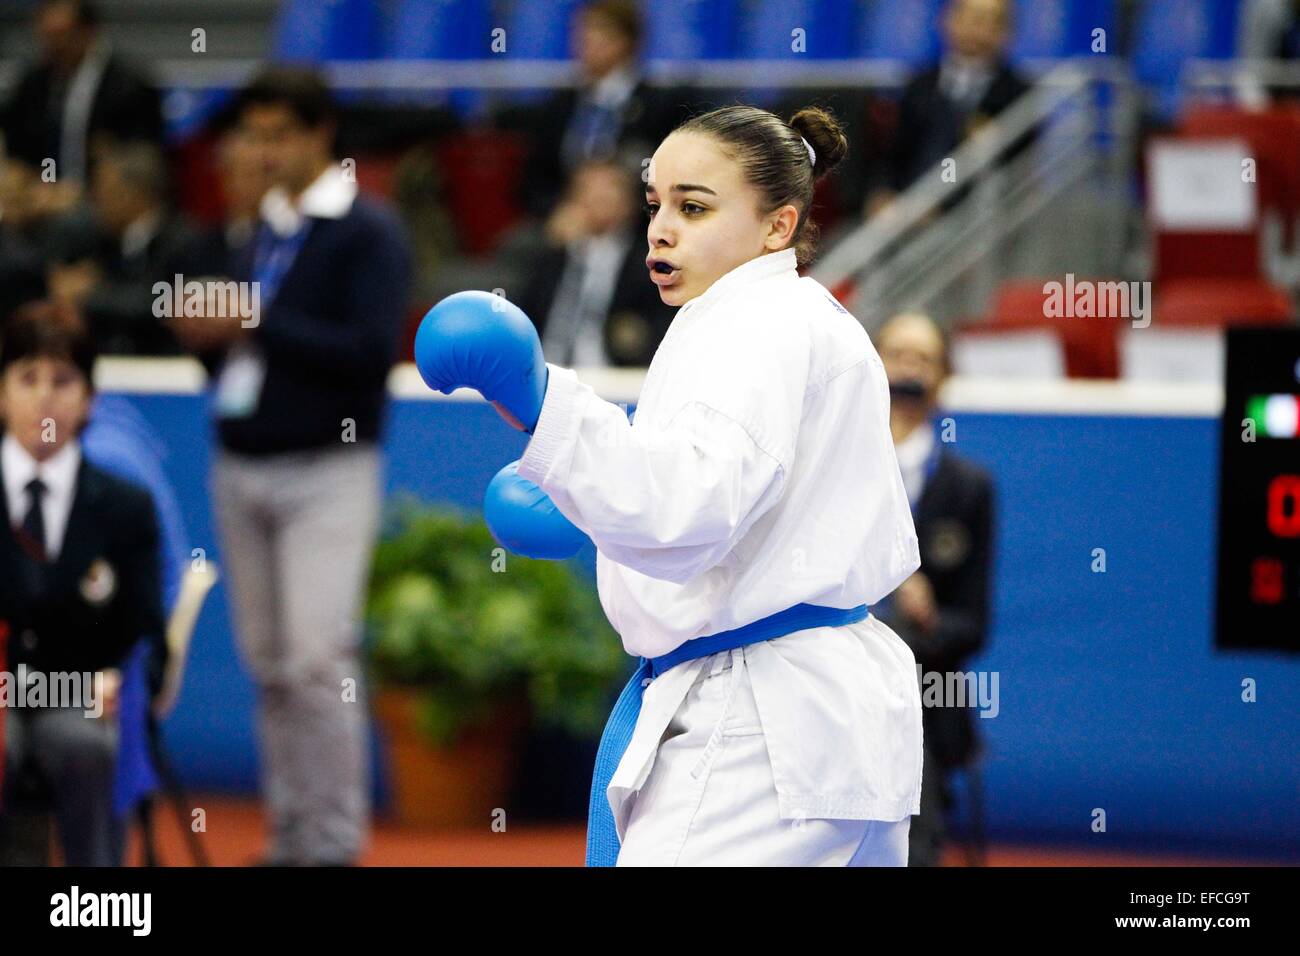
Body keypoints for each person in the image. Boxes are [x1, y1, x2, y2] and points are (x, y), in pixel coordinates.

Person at [417, 104, 924, 866]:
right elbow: (743, 508)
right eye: (655, 202)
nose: (660, 227)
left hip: (760, 725)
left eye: (694, 207)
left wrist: (538, 399)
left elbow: (687, 505)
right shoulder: (787, 316)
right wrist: (594, 517)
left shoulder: (755, 324)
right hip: (822, 712)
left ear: (777, 226)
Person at [171, 67, 411, 867]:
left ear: (319, 136)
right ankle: (290, 838)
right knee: (271, 667)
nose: (262, 151)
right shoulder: (253, 231)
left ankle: (334, 845)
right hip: (242, 462)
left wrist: (259, 319)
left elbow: (369, 354)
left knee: (316, 660)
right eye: (251, 135)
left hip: (329, 468)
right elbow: (240, 363)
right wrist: (212, 336)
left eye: (278, 135)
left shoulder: (367, 232)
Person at [0, 303, 164, 866]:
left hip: (75, 696)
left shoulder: (125, 506)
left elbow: (146, 628)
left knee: (86, 744)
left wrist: (116, 681)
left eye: (64, 380)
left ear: (89, 399)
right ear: (1, 396)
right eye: (27, 379)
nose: (45, 396)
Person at [875, 312, 995, 867]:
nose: (907, 371)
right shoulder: (833, 463)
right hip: (821, 682)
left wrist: (912, 626)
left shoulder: (969, 488)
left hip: (922, 698)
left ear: (944, 376)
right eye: (896, 355)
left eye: (922, 360)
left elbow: (970, 625)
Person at [518, 0, 682, 220]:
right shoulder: (560, 105)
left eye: (600, 30)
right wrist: (557, 211)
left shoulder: (660, 106)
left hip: (639, 224)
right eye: (582, 31)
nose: (586, 40)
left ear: (627, 41)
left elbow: (669, 177)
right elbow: (538, 179)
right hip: (569, 222)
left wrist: (622, 209)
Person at [866, 0, 1030, 217]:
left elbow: (1018, 174)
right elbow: (891, 156)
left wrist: (941, 208)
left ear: (1008, 33)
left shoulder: (1020, 97)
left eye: (993, 21)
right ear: (949, 20)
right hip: (902, 215)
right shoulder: (918, 85)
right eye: (973, 18)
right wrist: (883, 194)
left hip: (971, 224)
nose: (980, 30)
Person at [515, 157, 675, 368]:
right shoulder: (551, 256)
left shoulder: (650, 261)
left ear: (628, 202)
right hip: (544, 371)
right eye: (588, 191)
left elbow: (654, 332)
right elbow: (521, 315)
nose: (598, 199)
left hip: (614, 378)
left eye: (608, 192)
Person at [46, 141, 197, 356]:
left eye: (103, 191)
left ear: (134, 193)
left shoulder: (185, 242)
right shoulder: (108, 245)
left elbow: (162, 303)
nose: (95, 202)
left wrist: (90, 295)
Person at [0, 0, 163, 191]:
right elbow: (18, 152)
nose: (54, 47)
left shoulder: (129, 88)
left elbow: (143, 164)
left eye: (61, 37)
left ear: (87, 32)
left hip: (102, 197)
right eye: (46, 37)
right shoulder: (32, 86)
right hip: (43, 196)